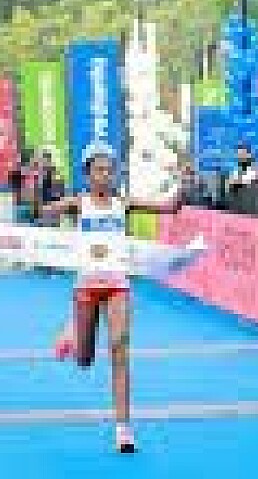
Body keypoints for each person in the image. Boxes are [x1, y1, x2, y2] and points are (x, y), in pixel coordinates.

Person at [41, 143, 179, 454]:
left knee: (119, 345)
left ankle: (123, 430)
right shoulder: (79, 203)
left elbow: (170, 207)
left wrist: (181, 180)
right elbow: (43, 212)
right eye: (99, 170)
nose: (105, 175)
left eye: (109, 170)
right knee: (84, 360)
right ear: (87, 173)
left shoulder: (124, 203)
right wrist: (44, 197)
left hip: (117, 284)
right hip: (86, 286)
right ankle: (73, 332)